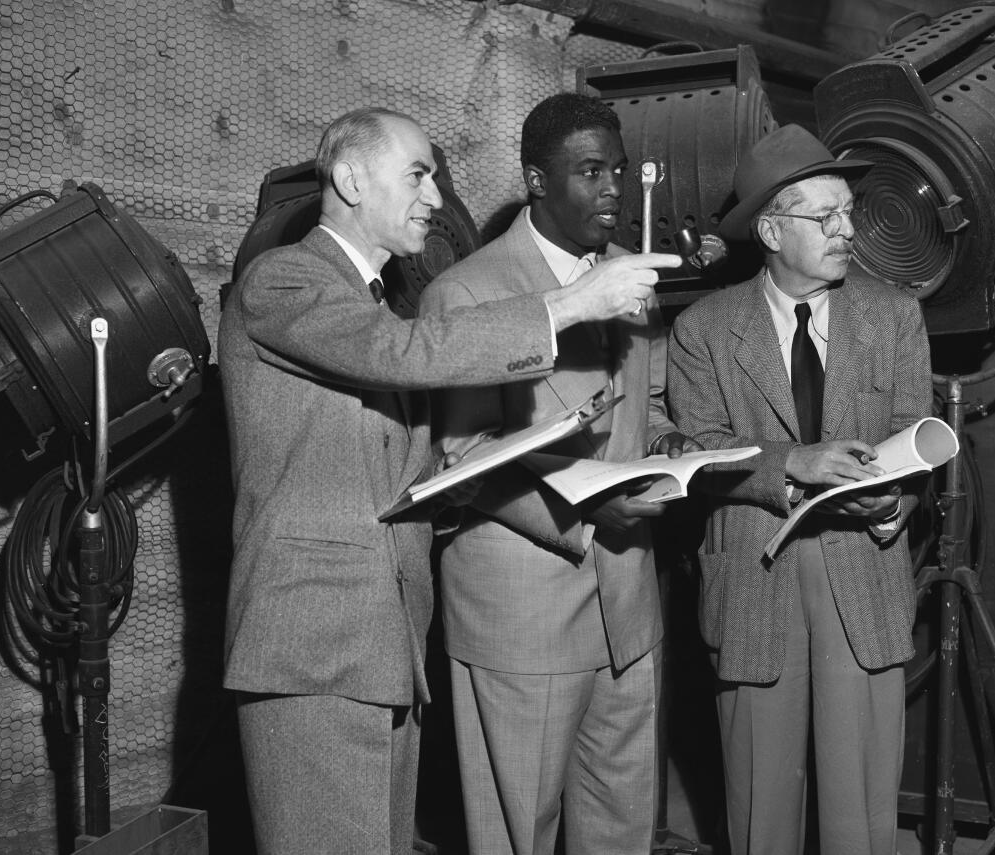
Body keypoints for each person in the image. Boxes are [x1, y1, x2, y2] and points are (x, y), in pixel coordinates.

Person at [218, 106, 680, 855]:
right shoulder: (282, 280)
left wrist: (460, 481)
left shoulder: (374, 299)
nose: (436, 198)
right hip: (313, 646)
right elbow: (399, 353)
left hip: (384, 644)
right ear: (350, 179)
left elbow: (392, 460)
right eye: (417, 174)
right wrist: (571, 304)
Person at [417, 92, 700, 855]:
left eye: (617, 168)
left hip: (628, 609)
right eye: (588, 172)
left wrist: (671, 448)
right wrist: (582, 513)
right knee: (517, 836)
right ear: (537, 182)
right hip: (524, 613)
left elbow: (649, 406)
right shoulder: (467, 292)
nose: (612, 187)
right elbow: (461, 456)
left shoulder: (630, 281)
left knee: (622, 834)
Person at [666, 123, 933, 855]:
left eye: (849, 211)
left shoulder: (893, 315)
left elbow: (921, 430)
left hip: (865, 578)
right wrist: (794, 462)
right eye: (827, 216)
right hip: (756, 581)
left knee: (864, 827)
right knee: (761, 818)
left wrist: (897, 500)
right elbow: (696, 452)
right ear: (773, 229)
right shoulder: (704, 329)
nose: (849, 230)